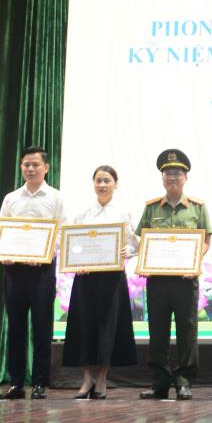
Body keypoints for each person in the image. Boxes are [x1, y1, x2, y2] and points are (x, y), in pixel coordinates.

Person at [136, 149, 212, 401]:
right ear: (162, 178)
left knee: (186, 331)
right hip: (157, 281)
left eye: (177, 173)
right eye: (168, 173)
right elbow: (142, 240)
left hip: (185, 280)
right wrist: (143, 261)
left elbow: (206, 240)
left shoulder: (198, 208)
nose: (172, 177)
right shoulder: (151, 208)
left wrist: (194, 261)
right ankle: (159, 382)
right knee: (157, 332)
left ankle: (184, 381)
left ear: (185, 177)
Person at [62, 165, 138, 399]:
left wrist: (126, 251)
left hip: (112, 279)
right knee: (83, 326)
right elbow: (71, 243)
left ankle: (102, 379)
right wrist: (76, 261)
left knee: (108, 328)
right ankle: (86, 379)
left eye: (107, 180)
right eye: (98, 180)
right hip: (85, 277)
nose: (102, 185)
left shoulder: (123, 213)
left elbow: (135, 244)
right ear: (93, 183)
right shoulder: (83, 212)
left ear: (116, 184)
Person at [0, 146, 65, 400]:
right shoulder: (11, 198)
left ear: (46, 167)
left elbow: (61, 232)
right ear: (21, 167)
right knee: (15, 327)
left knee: (42, 327)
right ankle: (16, 383)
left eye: (35, 164)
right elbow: (2, 230)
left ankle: (39, 383)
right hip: (14, 270)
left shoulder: (56, 197)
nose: (31, 169)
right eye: (26, 164)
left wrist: (45, 254)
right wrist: (4, 251)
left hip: (42, 271)